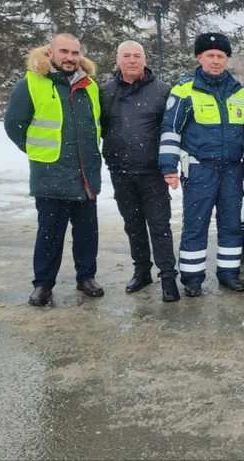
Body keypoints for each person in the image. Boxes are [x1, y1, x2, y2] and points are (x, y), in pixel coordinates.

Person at [4, 33, 103, 306]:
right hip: (50, 175)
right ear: (51, 52)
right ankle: (43, 284)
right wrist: (41, 154)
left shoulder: (90, 86)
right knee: (49, 233)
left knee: (87, 232)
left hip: (85, 175)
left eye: (74, 52)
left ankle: (86, 277)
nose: (70, 57)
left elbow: (97, 125)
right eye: (64, 52)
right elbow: (14, 125)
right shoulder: (31, 84)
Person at [159, 33, 244, 297]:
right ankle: (192, 278)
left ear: (227, 59)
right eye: (210, 55)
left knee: (231, 224)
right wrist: (168, 166)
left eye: (221, 56)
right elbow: (170, 130)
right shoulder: (184, 89)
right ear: (199, 58)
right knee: (196, 224)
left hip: (232, 168)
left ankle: (229, 273)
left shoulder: (239, 92)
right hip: (199, 168)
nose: (216, 61)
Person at [100, 40, 179, 302]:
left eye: (137, 56)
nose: (132, 60)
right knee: (133, 225)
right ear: (117, 59)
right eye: (126, 56)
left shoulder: (162, 91)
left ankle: (168, 277)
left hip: (152, 172)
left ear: (145, 60)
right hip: (120, 170)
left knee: (159, 226)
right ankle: (142, 271)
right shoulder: (105, 91)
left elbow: (172, 129)